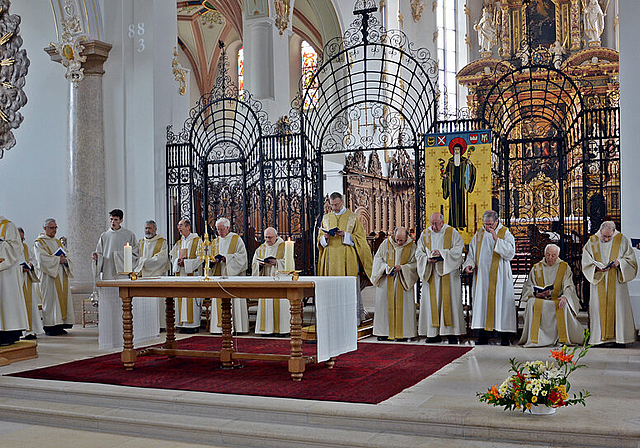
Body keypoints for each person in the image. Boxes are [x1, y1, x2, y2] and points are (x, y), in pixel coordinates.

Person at [317, 192, 373, 321]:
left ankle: (351, 319)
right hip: (329, 258)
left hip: (348, 259)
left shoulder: (353, 217)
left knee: (347, 289)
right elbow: (319, 241)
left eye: (336, 204)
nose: (334, 207)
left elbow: (361, 239)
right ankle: (330, 318)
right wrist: (324, 237)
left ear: (342, 202)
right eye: (332, 205)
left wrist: (346, 235)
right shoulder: (326, 218)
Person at [463, 210, 516, 346]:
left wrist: (496, 239)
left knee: (501, 304)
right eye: (485, 224)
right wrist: (469, 265)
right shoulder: (479, 234)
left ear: (497, 221)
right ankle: (482, 336)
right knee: (482, 304)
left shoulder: (505, 233)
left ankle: (504, 336)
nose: (487, 227)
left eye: (490, 225)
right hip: (482, 277)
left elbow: (510, 253)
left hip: (500, 278)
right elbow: (472, 254)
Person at [582, 221, 638, 346]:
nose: (606, 239)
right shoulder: (593, 241)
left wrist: (620, 263)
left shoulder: (621, 239)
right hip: (599, 279)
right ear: (600, 231)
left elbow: (631, 260)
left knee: (618, 307)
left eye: (609, 237)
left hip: (617, 280)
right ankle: (599, 339)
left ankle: (620, 339)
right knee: (597, 307)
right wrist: (595, 267)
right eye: (604, 236)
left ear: (614, 232)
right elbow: (586, 259)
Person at [519, 244, 585, 347]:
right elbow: (528, 286)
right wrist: (536, 293)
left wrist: (565, 297)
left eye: (553, 256)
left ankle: (562, 339)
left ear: (558, 256)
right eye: (548, 255)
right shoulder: (537, 267)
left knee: (563, 304)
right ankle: (535, 339)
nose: (550, 258)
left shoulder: (564, 267)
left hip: (557, 299)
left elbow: (569, 287)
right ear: (544, 254)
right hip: (540, 299)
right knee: (531, 302)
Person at [92, 209, 140, 349]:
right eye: (111, 219)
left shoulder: (128, 235)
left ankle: (125, 331)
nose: (113, 222)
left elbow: (136, 254)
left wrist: (119, 257)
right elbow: (100, 253)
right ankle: (109, 332)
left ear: (121, 220)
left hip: (122, 274)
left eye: (116, 220)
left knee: (123, 304)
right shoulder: (104, 236)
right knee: (109, 304)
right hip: (108, 273)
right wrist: (97, 258)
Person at [417, 212, 465, 344]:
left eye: (436, 224)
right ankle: (433, 334)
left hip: (448, 274)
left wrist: (442, 254)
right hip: (431, 273)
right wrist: (426, 258)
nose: (433, 227)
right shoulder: (425, 234)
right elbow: (418, 252)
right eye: (431, 223)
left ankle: (451, 334)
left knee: (449, 302)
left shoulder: (452, 232)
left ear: (442, 222)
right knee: (432, 303)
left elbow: (458, 250)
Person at [370, 227, 418, 341]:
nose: (399, 242)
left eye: (401, 240)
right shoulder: (386, 243)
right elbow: (378, 259)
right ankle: (383, 332)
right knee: (384, 306)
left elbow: (415, 264)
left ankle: (404, 333)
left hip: (403, 279)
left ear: (407, 237)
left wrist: (403, 268)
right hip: (387, 280)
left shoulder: (412, 246)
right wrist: (384, 267)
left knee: (403, 308)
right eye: (397, 239)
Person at [34, 219, 74, 336]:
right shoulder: (39, 243)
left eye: (56, 227)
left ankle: (60, 325)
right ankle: (50, 326)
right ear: (45, 229)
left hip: (61, 275)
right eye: (52, 228)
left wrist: (65, 261)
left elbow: (67, 255)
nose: (54, 230)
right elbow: (41, 260)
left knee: (60, 300)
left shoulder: (58, 242)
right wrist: (57, 260)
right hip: (48, 278)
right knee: (51, 301)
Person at [209, 217, 249, 334]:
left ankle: (237, 327)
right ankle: (217, 328)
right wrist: (213, 261)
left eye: (221, 229)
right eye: (218, 230)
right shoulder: (215, 241)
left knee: (234, 300)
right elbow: (209, 256)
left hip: (232, 276)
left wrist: (227, 258)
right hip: (218, 275)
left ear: (228, 228)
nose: (219, 232)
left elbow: (242, 257)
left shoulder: (236, 239)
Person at [251, 227, 289, 335]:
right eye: (266, 237)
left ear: (276, 236)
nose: (267, 240)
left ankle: (282, 330)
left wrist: (277, 262)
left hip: (279, 280)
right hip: (266, 279)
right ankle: (266, 329)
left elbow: (289, 262)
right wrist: (259, 265)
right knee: (266, 303)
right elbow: (254, 264)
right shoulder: (261, 248)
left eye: (270, 237)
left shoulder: (284, 246)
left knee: (280, 304)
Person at [169, 218, 203, 333]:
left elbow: (201, 258)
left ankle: (193, 326)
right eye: (178, 225)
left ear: (188, 227)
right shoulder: (179, 242)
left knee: (190, 300)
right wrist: (177, 262)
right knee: (181, 300)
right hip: (181, 275)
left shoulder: (197, 241)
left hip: (192, 275)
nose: (179, 228)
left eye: (181, 225)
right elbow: (172, 257)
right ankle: (182, 324)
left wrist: (187, 263)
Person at [0, 213, 29, 346]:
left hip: (6, 274)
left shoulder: (7, 226)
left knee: (7, 302)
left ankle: (8, 334)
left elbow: (15, 247)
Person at [135, 220, 169, 329]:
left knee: (157, 303)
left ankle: (160, 326)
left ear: (155, 229)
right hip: (143, 277)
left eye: (149, 228)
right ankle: (145, 326)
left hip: (156, 276)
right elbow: (135, 259)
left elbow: (161, 260)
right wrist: (143, 262)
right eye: (146, 228)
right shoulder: (140, 242)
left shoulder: (162, 242)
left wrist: (143, 262)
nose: (147, 230)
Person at [442, 138, 476, 229]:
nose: (457, 151)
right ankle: (453, 223)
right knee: (452, 205)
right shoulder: (450, 161)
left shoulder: (464, 161)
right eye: (455, 150)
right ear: (453, 151)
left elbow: (471, 171)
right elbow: (447, 172)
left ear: (461, 151)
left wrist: (470, 165)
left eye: (458, 150)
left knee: (461, 205)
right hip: (452, 186)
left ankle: (461, 224)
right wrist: (445, 176)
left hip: (461, 186)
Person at [18, 227, 43, 339]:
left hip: (27, 280)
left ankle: (30, 330)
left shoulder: (25, 247)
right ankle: (21, 332)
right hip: (17, 283)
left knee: (30, 305)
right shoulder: (9, 249)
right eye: (20, 239)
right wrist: (20, 269)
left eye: (23, 239)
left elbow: (33, 259)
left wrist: (30, 265)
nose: (22, 242)